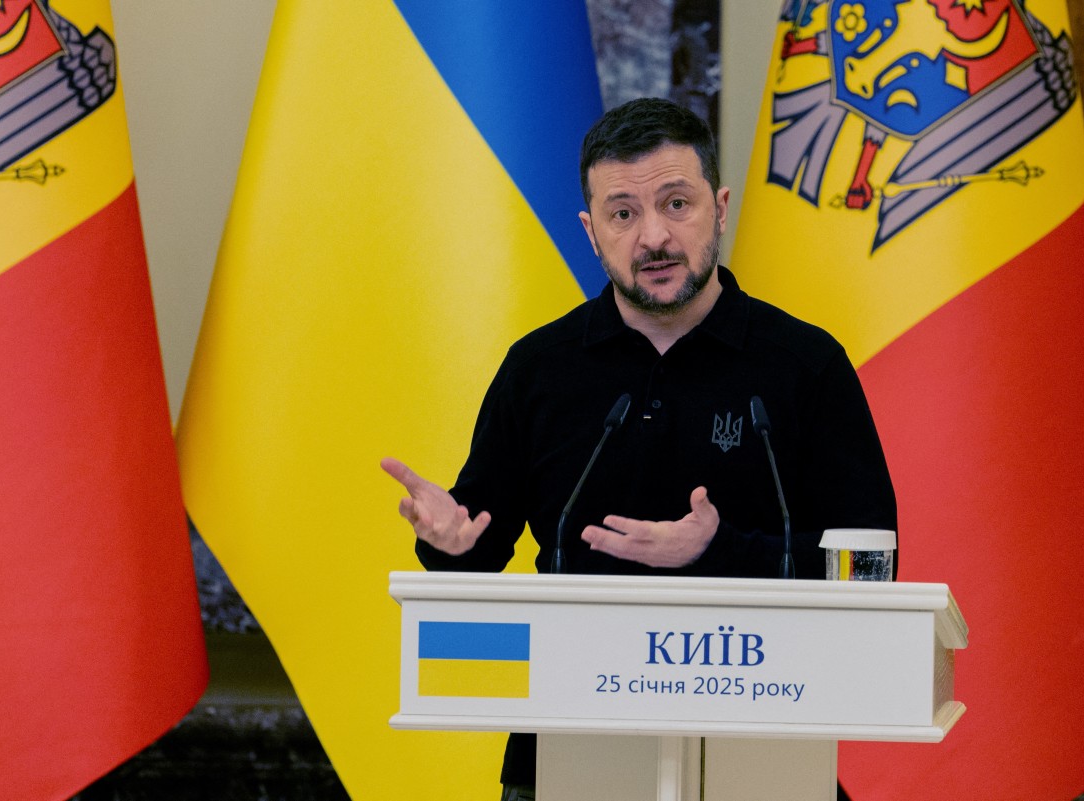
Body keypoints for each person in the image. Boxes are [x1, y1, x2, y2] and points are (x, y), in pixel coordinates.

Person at [382, 97, 896, 801]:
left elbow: (871, 567)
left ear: (719, 208)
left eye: (676, 204)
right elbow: (477, 547)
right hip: (564, 753)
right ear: (592, 233)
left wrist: (720, 550)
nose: (654, 236)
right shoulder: (540, 369)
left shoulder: (805, 365)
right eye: (623, 214)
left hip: (765, 751)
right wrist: (448, 543)